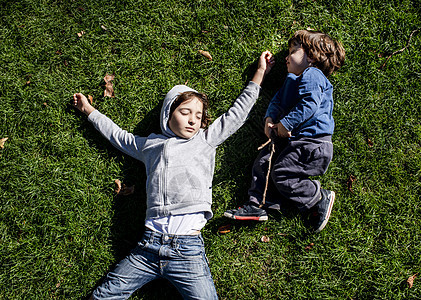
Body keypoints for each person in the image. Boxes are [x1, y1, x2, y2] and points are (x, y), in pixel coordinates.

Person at [73, 51, 274, 299]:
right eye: (185, 112)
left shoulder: (206, 140)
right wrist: (89, 110)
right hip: (148, 247)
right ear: (168, 113)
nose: (193, 120)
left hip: (188, 250)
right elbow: (117, 135)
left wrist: (260, 72)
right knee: (102, 296)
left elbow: (237, 113)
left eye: (198, 117)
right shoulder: (150, 146)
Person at [224, 30, 345, 233]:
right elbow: (278, 101)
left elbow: (309, 104)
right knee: (264, 162)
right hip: (294, 140)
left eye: (293, 51)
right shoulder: (292, 79)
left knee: (282, 174)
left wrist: (286, 124)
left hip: (311, 143)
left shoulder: (312, 75)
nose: (287, 57)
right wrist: (270, 119)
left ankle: (317, 198)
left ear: (312, 57)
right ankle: (258, 205)